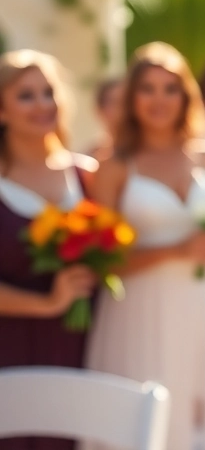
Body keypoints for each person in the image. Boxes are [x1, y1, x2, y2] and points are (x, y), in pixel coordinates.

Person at [85, 42, 205, 450]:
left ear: (186, 95)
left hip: (201, 304)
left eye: (170, 89)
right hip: (138, 310)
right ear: (131, 97)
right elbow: (104, 262)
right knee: (139, 421)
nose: (159, 100)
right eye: (147, 89)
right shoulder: (115, 166)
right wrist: (177, 250)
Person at [0, 51, 97, 450]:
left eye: (48, 92)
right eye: (26, 95)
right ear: (2, 110)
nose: (42, 104)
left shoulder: (88, 174)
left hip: (82, 347)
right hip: (10, 351)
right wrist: (47, 303)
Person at [86, 77, 123, 163]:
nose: (123, 109)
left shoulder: (146, 155)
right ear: (100, 109)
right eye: (115, 103)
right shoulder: (88, 160)